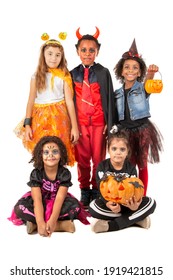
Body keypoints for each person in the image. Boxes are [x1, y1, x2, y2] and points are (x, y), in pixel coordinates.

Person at [14, 33, 79, 166]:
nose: (53, 58)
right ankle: (42, 180)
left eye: (57, 55)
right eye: (50, 54)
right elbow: (30, 100)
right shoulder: (36, 76)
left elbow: (70, 102)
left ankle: (59, 180)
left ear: (62, 57)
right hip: (40, 119)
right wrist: (27, 124)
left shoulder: (64, 75)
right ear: (43, 55)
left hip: (60, 118)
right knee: (43, 149)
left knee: (58, 148)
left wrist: (74, 127)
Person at [8, 136, 90, 237]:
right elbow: (37, 199)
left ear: (61, 154)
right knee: (20, 208)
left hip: (57, 202)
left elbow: (60, 199)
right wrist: (40, 221)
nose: (50, 155)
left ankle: (45, 225)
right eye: (46, 152)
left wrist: (52, 220)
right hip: (40, 202)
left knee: (76, 208)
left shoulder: (64, 173)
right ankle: (57, 225)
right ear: (40, 155)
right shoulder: (36, 173)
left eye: (55, 151)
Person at [70, 27, 115, 208]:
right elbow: (69, 100)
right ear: (77, 51)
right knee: (82, 159)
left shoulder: (103, 72)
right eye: (83, 50)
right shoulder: (72, 73)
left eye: (91, 50)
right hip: (80, 124)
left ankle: (97, 190)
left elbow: (109, 98)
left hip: (98, 124)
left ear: (97, 51)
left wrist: (109, 123)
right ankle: (84, 190)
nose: (87, 53)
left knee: (98, 158)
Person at [113, 39, 163, 195]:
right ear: (121, 71)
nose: (130, 70)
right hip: (125, 132)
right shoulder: (117, 93)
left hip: (142, 131)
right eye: (127, 67)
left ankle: (141, 195)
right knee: (126, 163)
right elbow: (114, 113)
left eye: (135, 68)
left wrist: (151, 73)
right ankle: (127, 193)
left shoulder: (143, 89)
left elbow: (149, 82)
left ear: (140, 72)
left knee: (142, 164)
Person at [88, 130, 156, 233]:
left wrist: (135, 206)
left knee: (151, 203)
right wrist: (108, 203)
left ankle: (111, 226)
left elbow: (134, 190)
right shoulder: (102, 167)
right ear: (108, 150)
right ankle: (136, 219)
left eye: (122, 149)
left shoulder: (131, 167)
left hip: (128, 205)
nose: (118, 152)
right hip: (111, 205)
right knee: (92, 207)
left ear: (128, 151)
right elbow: (101, 190)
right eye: (114, 149)